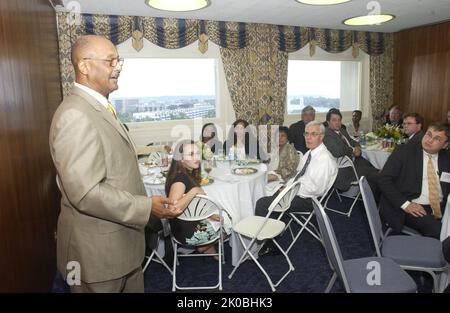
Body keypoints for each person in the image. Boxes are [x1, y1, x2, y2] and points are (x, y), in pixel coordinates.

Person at [49, 35, 182, 293]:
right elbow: (86, 194)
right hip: (97, 255)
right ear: (84, 66)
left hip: (123, 244)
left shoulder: (100, 108)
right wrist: (147, 206)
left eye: (119, 61)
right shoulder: (75, 115)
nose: (118, 67)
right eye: (110, 61)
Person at [255, 121, 338, 255]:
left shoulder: (324, 160)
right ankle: (273, 231)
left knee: (262, 204)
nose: (308, 137)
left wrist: (289, 191)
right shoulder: (310, 154)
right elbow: (298, 175)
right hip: (298, 191)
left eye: (313, 134)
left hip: (309, 200)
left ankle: (270, 244)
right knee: (269, 192)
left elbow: (316, 189)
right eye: (306, 134)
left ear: (321, 136)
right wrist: (286, 187)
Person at [378, 123, 450, 239]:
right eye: (428, 135)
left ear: (445, 145)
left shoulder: (447, 157)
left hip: (442, 206)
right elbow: (383, 179)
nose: (429, 140)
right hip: (410, 205)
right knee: (440, 232)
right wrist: (406, 205)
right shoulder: (404, 152)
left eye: (437, 139)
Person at [165, 140, 231, 259]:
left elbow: (190, 205)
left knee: (219, 216)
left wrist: (209, 215)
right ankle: (205, 246)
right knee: (230, 219)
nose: (197, 157)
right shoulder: (180, 180)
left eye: (197, 153)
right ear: (181, 159)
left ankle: (208, 248)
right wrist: (194, 190)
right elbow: (172, 209)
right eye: (191, 154)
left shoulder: (186, 173)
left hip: (188, 223)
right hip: (186, 233)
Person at [323, 108, 379, 193]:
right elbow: (338, 151)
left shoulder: (341, 130)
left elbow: (351, 141)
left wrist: (357, 147)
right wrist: (353, 150)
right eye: (334, 120)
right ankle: (373, 202)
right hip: (343, 170)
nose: (337, 123)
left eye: (339, 120)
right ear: (328, 122)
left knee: (375, 170)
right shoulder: (327, 134)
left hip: (353, 162)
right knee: (375, 174)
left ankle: (371, 199)